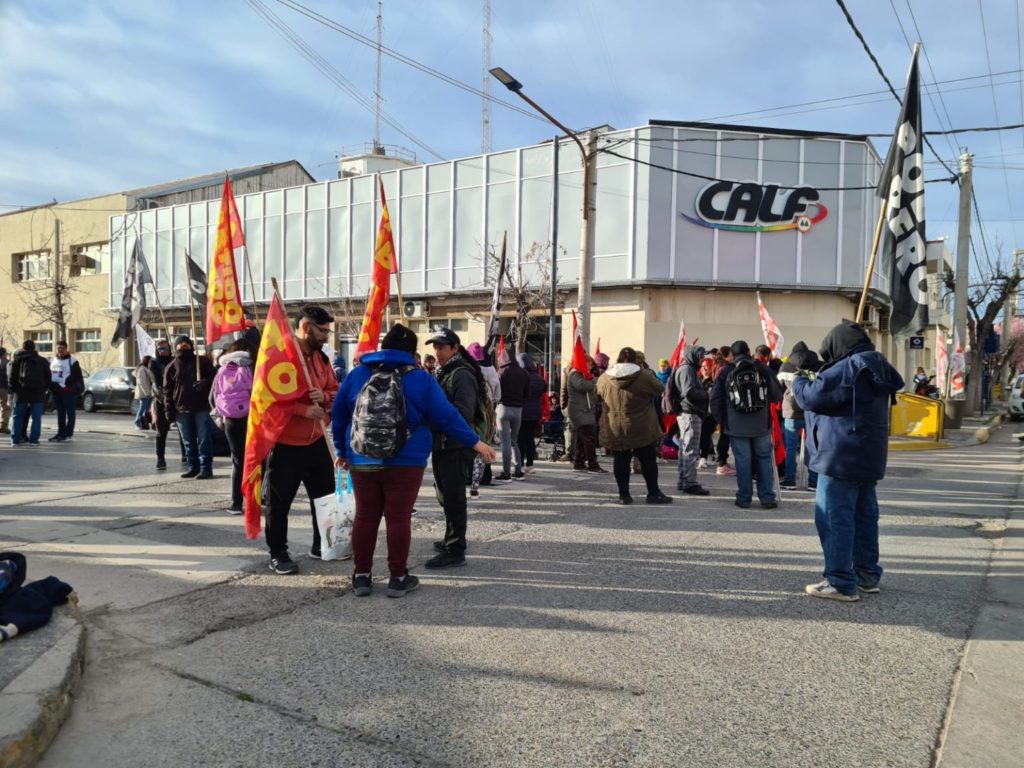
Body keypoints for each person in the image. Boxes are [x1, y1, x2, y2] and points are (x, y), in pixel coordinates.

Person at [333, 325, 496, 597]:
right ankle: (398, 577)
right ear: (411, 352)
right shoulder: (421, 379)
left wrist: (342, 452)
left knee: (365, 516)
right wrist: (476, 442)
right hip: (406, 461)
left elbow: (339, 415)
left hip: (362, 458)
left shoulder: (358, 374)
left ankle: (361, 576)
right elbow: (447, 417)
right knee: (398, 518)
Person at [792, 321, 903, 602]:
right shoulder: (878, 365)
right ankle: (866, 575)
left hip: (839, 455)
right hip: (869, 455)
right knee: (865, 518)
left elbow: (811, 398)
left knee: (834, 518)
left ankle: (840, 581)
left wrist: (797, 380)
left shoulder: (849, 367)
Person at [263, 307, 339, 574]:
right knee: (279, 502)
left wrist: (325, 397)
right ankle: (278, 553)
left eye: (328, 331)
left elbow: (334, 388)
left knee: (325, 497)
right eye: (322, 331)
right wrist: (302, 410)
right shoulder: (280, 356)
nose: (326, 336)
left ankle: (322, 544)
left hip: (316, 438)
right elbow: (267, 398)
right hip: (286, 442)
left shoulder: (322, 359)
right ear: (306, 328)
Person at [426, 327, 489, 568]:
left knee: (453, 496)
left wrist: (436, 413)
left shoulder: (460, 374)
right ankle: (450, 538)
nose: (437, 351)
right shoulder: (444, 371)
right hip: (444, 442)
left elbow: (464, 411)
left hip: (456, 443)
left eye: (442, 346)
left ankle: (455, 548)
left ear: (454, 348)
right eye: (435, 346)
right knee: (444, 493)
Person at [710, 340, 783, 509]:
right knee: (764, 460)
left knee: (743, 461)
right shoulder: (762, 368)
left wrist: (723, 421)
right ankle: (767, 498)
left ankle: (744, 498)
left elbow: (715, 401)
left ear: (732, 355)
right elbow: (776, 396)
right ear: (749, 351)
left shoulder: (726, 372)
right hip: (761, 425)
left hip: (736, 426)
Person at [596, 347, 672, 505]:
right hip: (642, 424)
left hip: (615, 425)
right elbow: (659, 389)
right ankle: (653, 493)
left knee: (621, 459)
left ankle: (624, 495)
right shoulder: (644, 375)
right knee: (648, 459)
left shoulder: (604, 378)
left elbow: (597, 395)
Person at [162, 336, 216, 480]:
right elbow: (167, 391)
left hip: (201, 407)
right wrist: (169, 411)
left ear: (192, 346)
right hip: (181, 410)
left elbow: (215, 378)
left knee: (204, 439)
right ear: (175, 347)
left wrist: (204, 383)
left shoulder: (202, 361)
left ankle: (206, 468)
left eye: (186, 343)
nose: (183, 345)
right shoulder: (171, 367)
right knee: (188, 441)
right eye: (180, 343)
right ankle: (193, 467)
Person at [213, 339, 256, 514]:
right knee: (255, 459)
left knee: (237, 460)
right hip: (251, 417)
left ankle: (235, 503)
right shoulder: (250, 367)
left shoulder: (222, 369)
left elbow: (213, 397)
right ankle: (255, 500)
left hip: (230, 419)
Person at [777, 341, 821, 491]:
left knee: (790, 449)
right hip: (811, 412)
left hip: (791, 412)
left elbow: (780, 387)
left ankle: (790, 480)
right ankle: (813, 482)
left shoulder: (786, 367)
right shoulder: (818, 366)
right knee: (813, 447)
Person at [673, 344, 710, 496]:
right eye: (701, 356)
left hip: (688, 414)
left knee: (685, 448)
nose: (702, 360)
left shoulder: (687, 368)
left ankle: (684, 480)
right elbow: (689, 392)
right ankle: (689, 482)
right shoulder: (687, 369)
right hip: (690, 414)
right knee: (690, 450)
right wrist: (707, 394)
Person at [466, 342, 500, 496]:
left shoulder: (471, 370)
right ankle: (485, 474)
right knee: (486, 441)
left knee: (472, 441)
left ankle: (471, 476)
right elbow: (499, 394)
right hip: (490, 409)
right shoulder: (492, 370)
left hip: (476, 408)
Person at [495, 348, 529, 482]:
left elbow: (496, 393)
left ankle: (506, 473)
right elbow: (527, 393)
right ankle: (519, 471)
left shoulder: (501, 372)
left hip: (503, 407)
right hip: (518, 410)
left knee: (505, 442)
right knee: (514, 441)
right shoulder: (523, 373)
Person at [8, 340, 50, 446]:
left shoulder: (17, 360)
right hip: (38, 392)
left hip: (21, 392)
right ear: (34, 348)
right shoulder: (43, 361)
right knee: (36, 418)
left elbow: (12, 378)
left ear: (23, 348)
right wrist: (44, 388)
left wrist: (14, 390)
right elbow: (48, 378)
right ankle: (34, 440)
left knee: (17, 416)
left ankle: (15, 440)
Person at [567, 356, 605, 473]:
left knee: (581, 438)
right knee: (589, 438)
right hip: (580, 411)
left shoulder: (580, 375)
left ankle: (579, 463)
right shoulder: (575, 374)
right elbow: (583, 386)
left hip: (583, 410)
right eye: (589, 363)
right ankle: (593, 465)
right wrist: (594, 380)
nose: (591, 366)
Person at [148, 340, 180, 470]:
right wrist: (166, 400)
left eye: (165, 348)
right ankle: (160, 458)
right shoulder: (154, 363)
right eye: (160, 349)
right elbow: (156, 385)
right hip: (161, 401)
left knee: (183, 431)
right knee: (161, 432)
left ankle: (186, 455)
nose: (163, 351)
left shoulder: (175, 362)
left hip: (177, 399)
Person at [48, 341, 83, 443]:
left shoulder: (73, 361)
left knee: (70, 412)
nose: (60, 350)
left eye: (62, 348)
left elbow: (77, 375)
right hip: (56, 390)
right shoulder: (53, 360)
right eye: (58, 348)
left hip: (68, 391)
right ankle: (61, 433)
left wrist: (67, 381)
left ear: (66, 349)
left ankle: (68, 434)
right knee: (60, 413)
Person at [516, 352, 546, 470]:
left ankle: (521, 464)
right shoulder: (539, 377)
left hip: (523, 411)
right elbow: (544, 389)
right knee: (530, 438)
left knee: (520, 438)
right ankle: (530, 463)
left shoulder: (522, 375)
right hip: (535, 412)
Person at [133, 356, 155, 431]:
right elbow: (142, 382)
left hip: (148, 393)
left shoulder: (146, 369)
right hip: (144, 393)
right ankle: (137, 422)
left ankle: (144, 423)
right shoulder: (142, 369)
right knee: (142, 408)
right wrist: (147, 392)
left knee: (146, 409)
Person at [0, 347, 11, 434]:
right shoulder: (7, 363)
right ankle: (3, 426)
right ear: (4, 354)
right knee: (5, 407)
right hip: (4, 387)